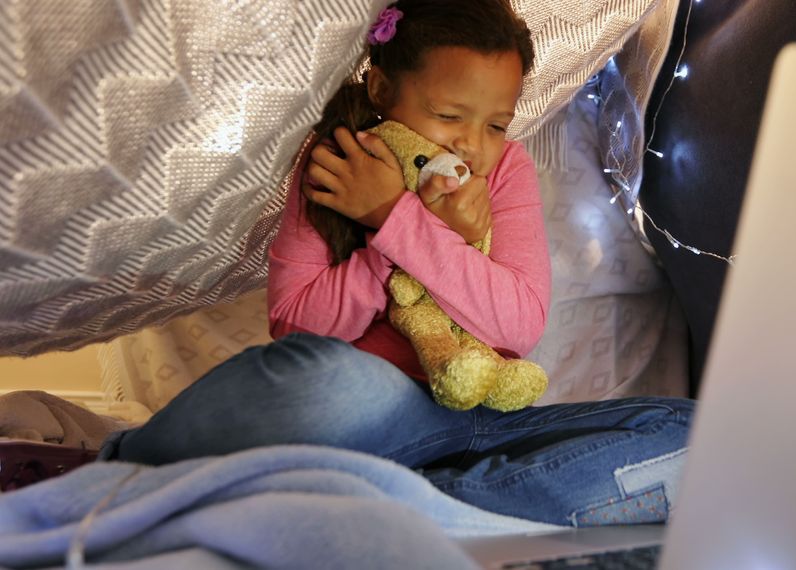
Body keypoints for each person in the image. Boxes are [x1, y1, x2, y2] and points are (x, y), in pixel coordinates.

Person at [97, 0, 695, 527]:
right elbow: (298, 326)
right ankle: (125, 463)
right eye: (449, 115)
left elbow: (516, 325)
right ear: (383, 91)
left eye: (495, 124)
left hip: (485, 417)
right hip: (374, 416)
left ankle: (422, 502)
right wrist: (395, 234)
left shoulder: (503, 170)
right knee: (325, 380)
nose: (470, 144)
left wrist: (402, 221)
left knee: (696, 436)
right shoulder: (341, 160)